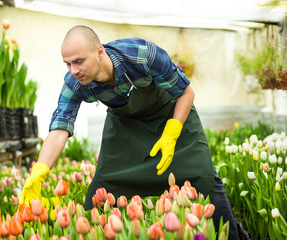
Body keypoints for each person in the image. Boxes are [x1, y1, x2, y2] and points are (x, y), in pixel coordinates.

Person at [19, 25, 239, 239]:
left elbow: (186, 92)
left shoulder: (142, 54)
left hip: (172, 113)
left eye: (79, 61)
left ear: (99, 52)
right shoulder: (75, 82)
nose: (73, 70)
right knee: (103, 186)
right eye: (67, 64)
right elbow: (59, 128)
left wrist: (171, 133)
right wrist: (39, 171)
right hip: (126, 122)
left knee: (202, 175)